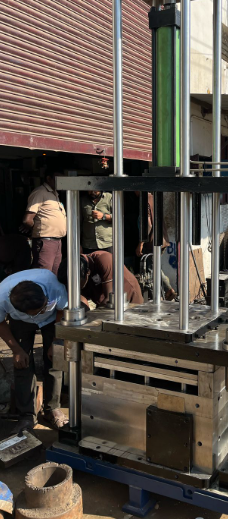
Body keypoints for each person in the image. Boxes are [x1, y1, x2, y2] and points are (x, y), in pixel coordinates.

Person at [0, 269, 68, 433]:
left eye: (42, 308)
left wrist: (55, 342)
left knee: (55, 359)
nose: (39, 314)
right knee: (21, 363)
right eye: (36, 313)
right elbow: (0, 323)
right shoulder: (1, 296)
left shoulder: (53, 285)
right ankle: (26, 415)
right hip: (20, 323)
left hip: (53, 319)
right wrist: (16, 350)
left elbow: (62, 310)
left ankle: (52, 408)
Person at [20, 169, 66, 275]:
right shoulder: (40, 192)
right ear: (49, 179)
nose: (61, 181)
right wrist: (36, 230)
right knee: (44, 274)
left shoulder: (55, 194)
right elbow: (27, 220)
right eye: (58, 178)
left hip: (57, 241)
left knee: (55, 274)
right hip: (46, 241)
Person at [58, 251, 143, 308]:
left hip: (129, 297)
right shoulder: (74, 273)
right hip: (102, 303)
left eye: (77, 284)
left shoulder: (104, 260)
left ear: (88, 273)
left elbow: (110, 299)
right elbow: (80, 301)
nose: (75, 288)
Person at [135, 192, 175, 301]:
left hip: (153, 242)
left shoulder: (144, 200)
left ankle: (161, 294)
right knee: (155, 267)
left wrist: (141, 243)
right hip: (161, 240)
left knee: (151, 270)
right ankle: (166, 291)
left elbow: (147, 224)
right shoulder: (154, 198)